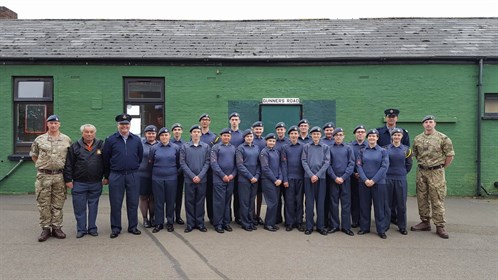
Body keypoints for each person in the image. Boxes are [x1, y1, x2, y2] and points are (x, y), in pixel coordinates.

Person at [411, 115, 454, 239]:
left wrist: (440, 168)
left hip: (436, 172)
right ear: (423, 125)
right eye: (426, 122)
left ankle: (440, 225)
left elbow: (450, 155)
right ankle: (425, 222)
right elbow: (414, 154)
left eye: (430, 122)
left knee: (437, 198)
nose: (428, 124)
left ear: (435, 124)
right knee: (422, 197)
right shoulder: (418, 138)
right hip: (421, 171)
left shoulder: (443, 138)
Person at [30, 114, 72, 242]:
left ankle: (57, 227)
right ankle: (46, 228)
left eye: (56, 123)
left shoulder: (66, 140)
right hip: (44, 176)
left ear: (59, 124)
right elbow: (34, 155)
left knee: (58, 203)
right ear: (47, 124)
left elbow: (69, 158)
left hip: (59, 176)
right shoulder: (40, 139)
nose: (53, 125)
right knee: (44, 203)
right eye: (51, 123)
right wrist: (42, 166)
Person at [103, 113, 143, 239]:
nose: (124, 126)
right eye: (121, 124)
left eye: (126, 124)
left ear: (130, 125)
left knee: (133, 202)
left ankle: (133, 227)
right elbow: (105, 159)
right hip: (116, 175)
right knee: (115, 203)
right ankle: (116, 228)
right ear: (118, 125)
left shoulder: (136, 139)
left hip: (133, 175)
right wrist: (107, 176)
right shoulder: (110, 140)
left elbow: (140, 156)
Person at [63, 124, 104, 238]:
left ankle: (92, 228)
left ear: (94, 133)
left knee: (93, 207)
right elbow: (68, 165)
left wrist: (107, 176)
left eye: (91, 132)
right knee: (79, 207)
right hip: (79, 183)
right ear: (82, 133)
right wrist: (68, 180)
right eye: (87, 132)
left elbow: (106, 162)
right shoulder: (75, 146)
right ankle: (81, 229)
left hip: (96, 182)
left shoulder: (101, 145)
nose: (89, 134)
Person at [377, 108, 410, 226]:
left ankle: (397, 219)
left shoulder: (404, 133)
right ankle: (386, 220)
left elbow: (408, 157)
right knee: (386, 200)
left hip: (399, 173)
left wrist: (402, 171)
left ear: (397, 118)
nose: (391, 118)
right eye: (389, 116)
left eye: (393, 116)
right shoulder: (379, 132)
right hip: (384, 173)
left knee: (399, 201)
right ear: (385, 118)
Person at [356, 129, 389, 239]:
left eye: (374, 136)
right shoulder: (362, 151)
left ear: (377, 138)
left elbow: (384, 167)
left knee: (379, 207)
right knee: (364, 206)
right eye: (370, 136)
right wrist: (365, 179)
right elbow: (359, 166)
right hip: (364, 182)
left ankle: (381, 229)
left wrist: (373, 180)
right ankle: (364, 227)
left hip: (379, 183)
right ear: (367, 138)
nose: (371, 138)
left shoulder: (383, 151)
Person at [180, 125, 211, 233]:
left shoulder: (206, 147)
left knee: (200, 202)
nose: (196, 133)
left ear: (201, 134)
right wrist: (193, 176)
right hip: (189, 179)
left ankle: (200, 223)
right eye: (194, 131)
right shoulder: (185, 146)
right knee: (189, 202)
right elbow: (182, 163)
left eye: (198, 131)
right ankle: (190, 224)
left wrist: (200, 176)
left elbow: (208, 162)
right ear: (191, 134)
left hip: (202, 179)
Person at [148, 127, 179, 233]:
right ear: (159, 137)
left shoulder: (175, 148)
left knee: (170, 202)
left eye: (166, 135)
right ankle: (159, 223)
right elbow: (150, 163)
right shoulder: (154, 148)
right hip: (157, 179)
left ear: (169, 136)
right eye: (162, 135)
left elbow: (179, 163)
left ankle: (170, 222)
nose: (164, 137)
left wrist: (174, 173)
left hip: (172, 179)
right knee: (158, 201)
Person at [301, 126, 330, 235]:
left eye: (318, 134)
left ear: (320, 135)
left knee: (320, 203)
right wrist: (311, 175)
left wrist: (317, 175)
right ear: (311, 135)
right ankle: (309, 226)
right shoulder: (306, 146)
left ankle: (320, 226)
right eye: (314, 134)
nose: (316, 136)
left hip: (321, 178)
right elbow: (304, 161)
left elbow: (327, 162)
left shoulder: (325, 147)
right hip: (308, 178)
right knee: (309, 203)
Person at [327, 127, 355, 236]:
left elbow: (351, 164)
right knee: (333, 203)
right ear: (333, 137)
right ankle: (334, 225)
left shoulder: (348, 148)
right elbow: (327, 164)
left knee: (346, 204)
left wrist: (343, 177)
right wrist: (335, 177)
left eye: (340, 135)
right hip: (333, 180)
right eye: (336, 135)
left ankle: (346, 227)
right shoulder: (329, 148)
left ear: (343, 136)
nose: (338, 137)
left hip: (345, 180)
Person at [386, 128, 413, 235]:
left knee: (401, 204)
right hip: (388, 178)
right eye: (394, 135)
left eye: (398, 135)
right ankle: (385, 224)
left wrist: (402, 173)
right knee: (387, 203)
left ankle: (402, 226)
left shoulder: (406, 150)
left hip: (401, 179)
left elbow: (409, 165)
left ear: (401, 137)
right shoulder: (386, 149)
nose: (396, 137)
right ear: (392, 137)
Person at [211, 128, 237, 233]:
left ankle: (226, 223)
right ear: (221, 136)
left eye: (228, 136)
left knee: (227, 202)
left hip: (230, 179)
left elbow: (236, 165)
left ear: (230, 137)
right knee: (219, 202)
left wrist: (232, 175)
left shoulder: (234, 148)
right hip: (219, 179)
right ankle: (218, 224)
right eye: (224, 135)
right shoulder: (216, 147)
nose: (226, 137)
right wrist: (223, 175)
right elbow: (213, 164)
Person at [281, 125, 305, 232]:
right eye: (292, 134)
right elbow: (284, 165)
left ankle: (299, 222)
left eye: (296, 133)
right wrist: (285, 179)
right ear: (289, 135)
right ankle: (289, 222)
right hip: (289, 179)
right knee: (289, 201)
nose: (294, 136)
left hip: (301, 178)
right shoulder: (285, 148)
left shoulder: (303, 146)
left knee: (299, 201)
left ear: (298, 135)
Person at [236, 129, 261, 231]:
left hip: (255, 179)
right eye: (247, 137)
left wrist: (257, 176)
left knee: (251, 202)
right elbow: (240, 165)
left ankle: (251, 221)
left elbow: (259, 164)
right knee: (244, 202)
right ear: (244, 138)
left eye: (251, 136)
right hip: (244, 180)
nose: (249, 138)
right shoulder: (240, 148)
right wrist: (251, 177)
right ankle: (245, 222)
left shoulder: (257, 148)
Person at [259, 133, 283, 232]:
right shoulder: (264, 152)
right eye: (269, 141)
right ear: (266, 142)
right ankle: (268, 224)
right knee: (272, 203)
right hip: (268, 181)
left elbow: (279, 166)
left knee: (275, 202)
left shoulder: (276, 152)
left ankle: (272, 222)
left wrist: (280, 178)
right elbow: (265, 168)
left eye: (273, 141)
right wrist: (275, 180)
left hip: (277, 181)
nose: (271, 142)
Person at [198, 113, 219, 225]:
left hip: (211, 171)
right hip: (199, 170)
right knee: (200, 196)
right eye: (203, 120)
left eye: (207, 120)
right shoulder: (196, 135)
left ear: (209, 122)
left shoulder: (214, 137)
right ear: (200, 122)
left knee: (211, 196)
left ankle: (211, 217)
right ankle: (199, 218)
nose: (205, 121)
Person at [138, 125, 157, 228]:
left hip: (155, 176)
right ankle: (145, 219)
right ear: (145, 134)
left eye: (153, 133)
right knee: (144, 197)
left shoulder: (159, 144)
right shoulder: (140, 144)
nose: (151, 135)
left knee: (153, 197)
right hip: (143, 175)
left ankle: (152, 218)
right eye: (149, 133)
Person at [350, 124, 367, 228]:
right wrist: (353, 173)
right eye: (358, 132)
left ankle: (364, 220)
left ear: (365, 134)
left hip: (365, 177)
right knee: (354, 199)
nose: (360, 134)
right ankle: (355, 220)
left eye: (362, 132)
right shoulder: (350, 146)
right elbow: (348, 161)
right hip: (353, 176)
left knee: (364, 200)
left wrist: (363, 175)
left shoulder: (369, 145)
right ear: (355, 134)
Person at [229, 112, 244, 225]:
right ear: (230, 121)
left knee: (238, 195)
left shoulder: (242, 135)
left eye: (236, 119)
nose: (234, 121)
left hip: (239, 169)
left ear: (239, 121)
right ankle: (227, 216)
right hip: (228, 169)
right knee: (228, 194)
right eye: (232, 119)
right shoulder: (226, 134)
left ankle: (238, 216)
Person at [251, 121, 266, 225]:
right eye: (256, 129)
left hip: (263, 172)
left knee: (259, 195)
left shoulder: (265, 141)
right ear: (253, 129)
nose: (258, 130)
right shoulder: (250, 140)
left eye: (260, 129)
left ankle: (258, 215)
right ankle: (251, 216)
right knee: (251, 195)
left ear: (263, 130)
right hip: (253, 172)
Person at [171, 123, 185, 225]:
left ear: (181, 131)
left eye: (178, 129)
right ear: (172, 132)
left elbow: (185, 160)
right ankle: (170, 216)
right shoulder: (168, 142)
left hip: (180, 174)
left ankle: (178, 216)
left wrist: (179, 171)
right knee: (170, 196)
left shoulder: (185, 144)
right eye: (175, 129)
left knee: (179, 196)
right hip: (170, 174)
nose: (177, 131)